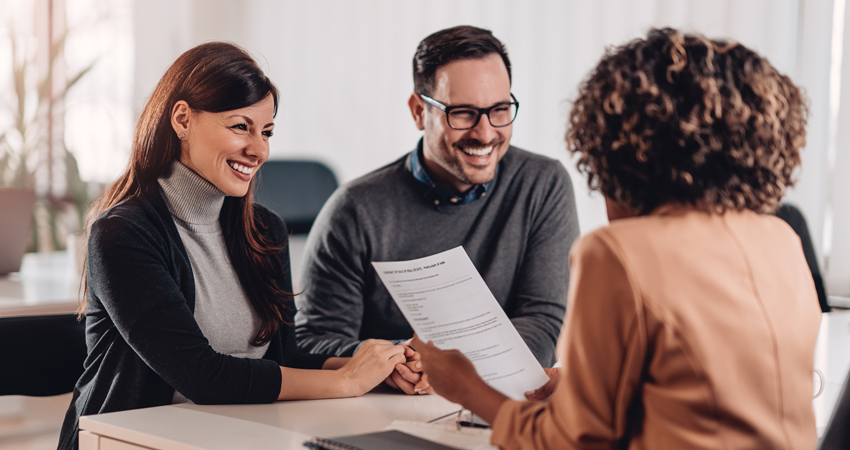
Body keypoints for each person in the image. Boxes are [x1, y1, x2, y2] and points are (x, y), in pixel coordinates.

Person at [413, 28, 820, 449]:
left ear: (619, 144)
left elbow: (569, 443)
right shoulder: (781, 239)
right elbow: (712, 384)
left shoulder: (618, 254)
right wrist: (587, 384)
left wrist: (465, 387)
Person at [58, 42, 408, 450]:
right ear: (183, 118)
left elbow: (284, 361)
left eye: (267, 132)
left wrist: (376, 365)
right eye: (241, 126)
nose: (259, 149)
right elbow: (201, 375)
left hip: (233, 434)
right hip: (132, 442)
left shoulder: (266, 231)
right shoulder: (122, 235)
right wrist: (346, 381)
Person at [296, 25, 580, 394]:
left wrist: (449, 364)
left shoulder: (543, 185)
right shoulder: (354, 209)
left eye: (499, 109)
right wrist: (395, 360)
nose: (485, 132)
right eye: (463, 113)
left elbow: (544, 322)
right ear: (418, 112)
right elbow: (312, 340)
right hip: (384, 411)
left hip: (495, 403)